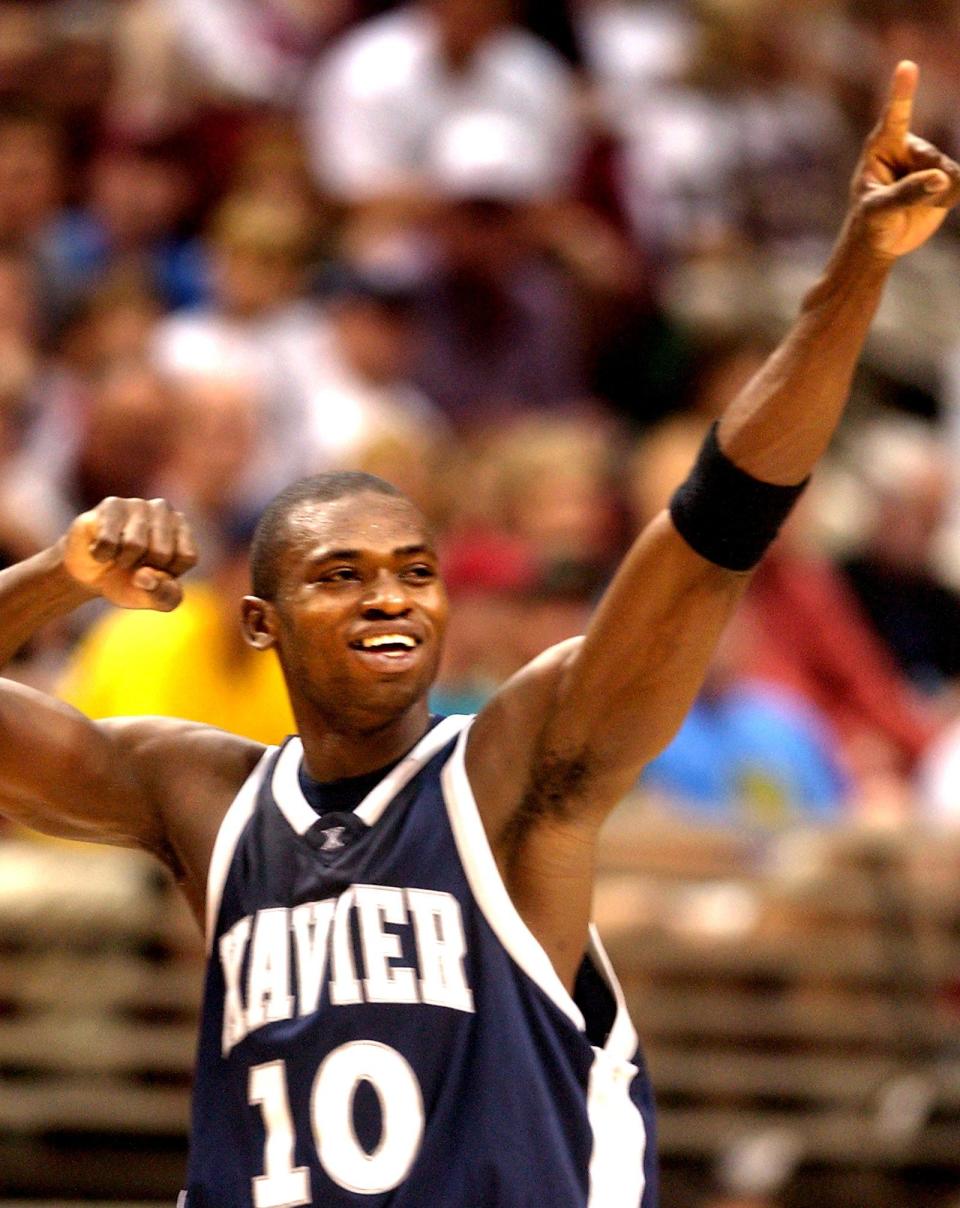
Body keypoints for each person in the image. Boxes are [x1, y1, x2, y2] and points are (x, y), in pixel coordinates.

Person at [0, 62, 956, 1208]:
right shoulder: (200, 798)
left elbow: (714, 533)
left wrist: (853, 276)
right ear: (261, 622)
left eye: (414, 571)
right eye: (341, 576)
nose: (391, 597)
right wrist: (60, 576)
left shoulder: (510, 771)